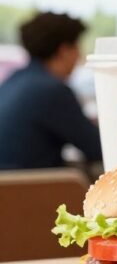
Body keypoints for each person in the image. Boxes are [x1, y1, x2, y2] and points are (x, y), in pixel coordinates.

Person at [0, 12, 102, 170]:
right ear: (64, 50)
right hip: (32, 189)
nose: (79, 56)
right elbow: (98, 148)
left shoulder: (13, 81)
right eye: (76, 47)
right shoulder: (52, 91)